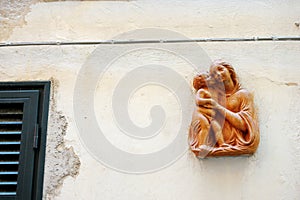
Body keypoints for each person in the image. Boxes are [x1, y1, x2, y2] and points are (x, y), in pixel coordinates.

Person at [189, 60, 260, 157]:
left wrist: (218, 108)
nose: (217, 74)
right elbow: (199, 119)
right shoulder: (212, 95)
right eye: (213, 74)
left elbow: (245, 125)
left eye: (220, 69)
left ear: (230, 71)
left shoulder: (243, 95)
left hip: (239, 143)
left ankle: (222, 144)